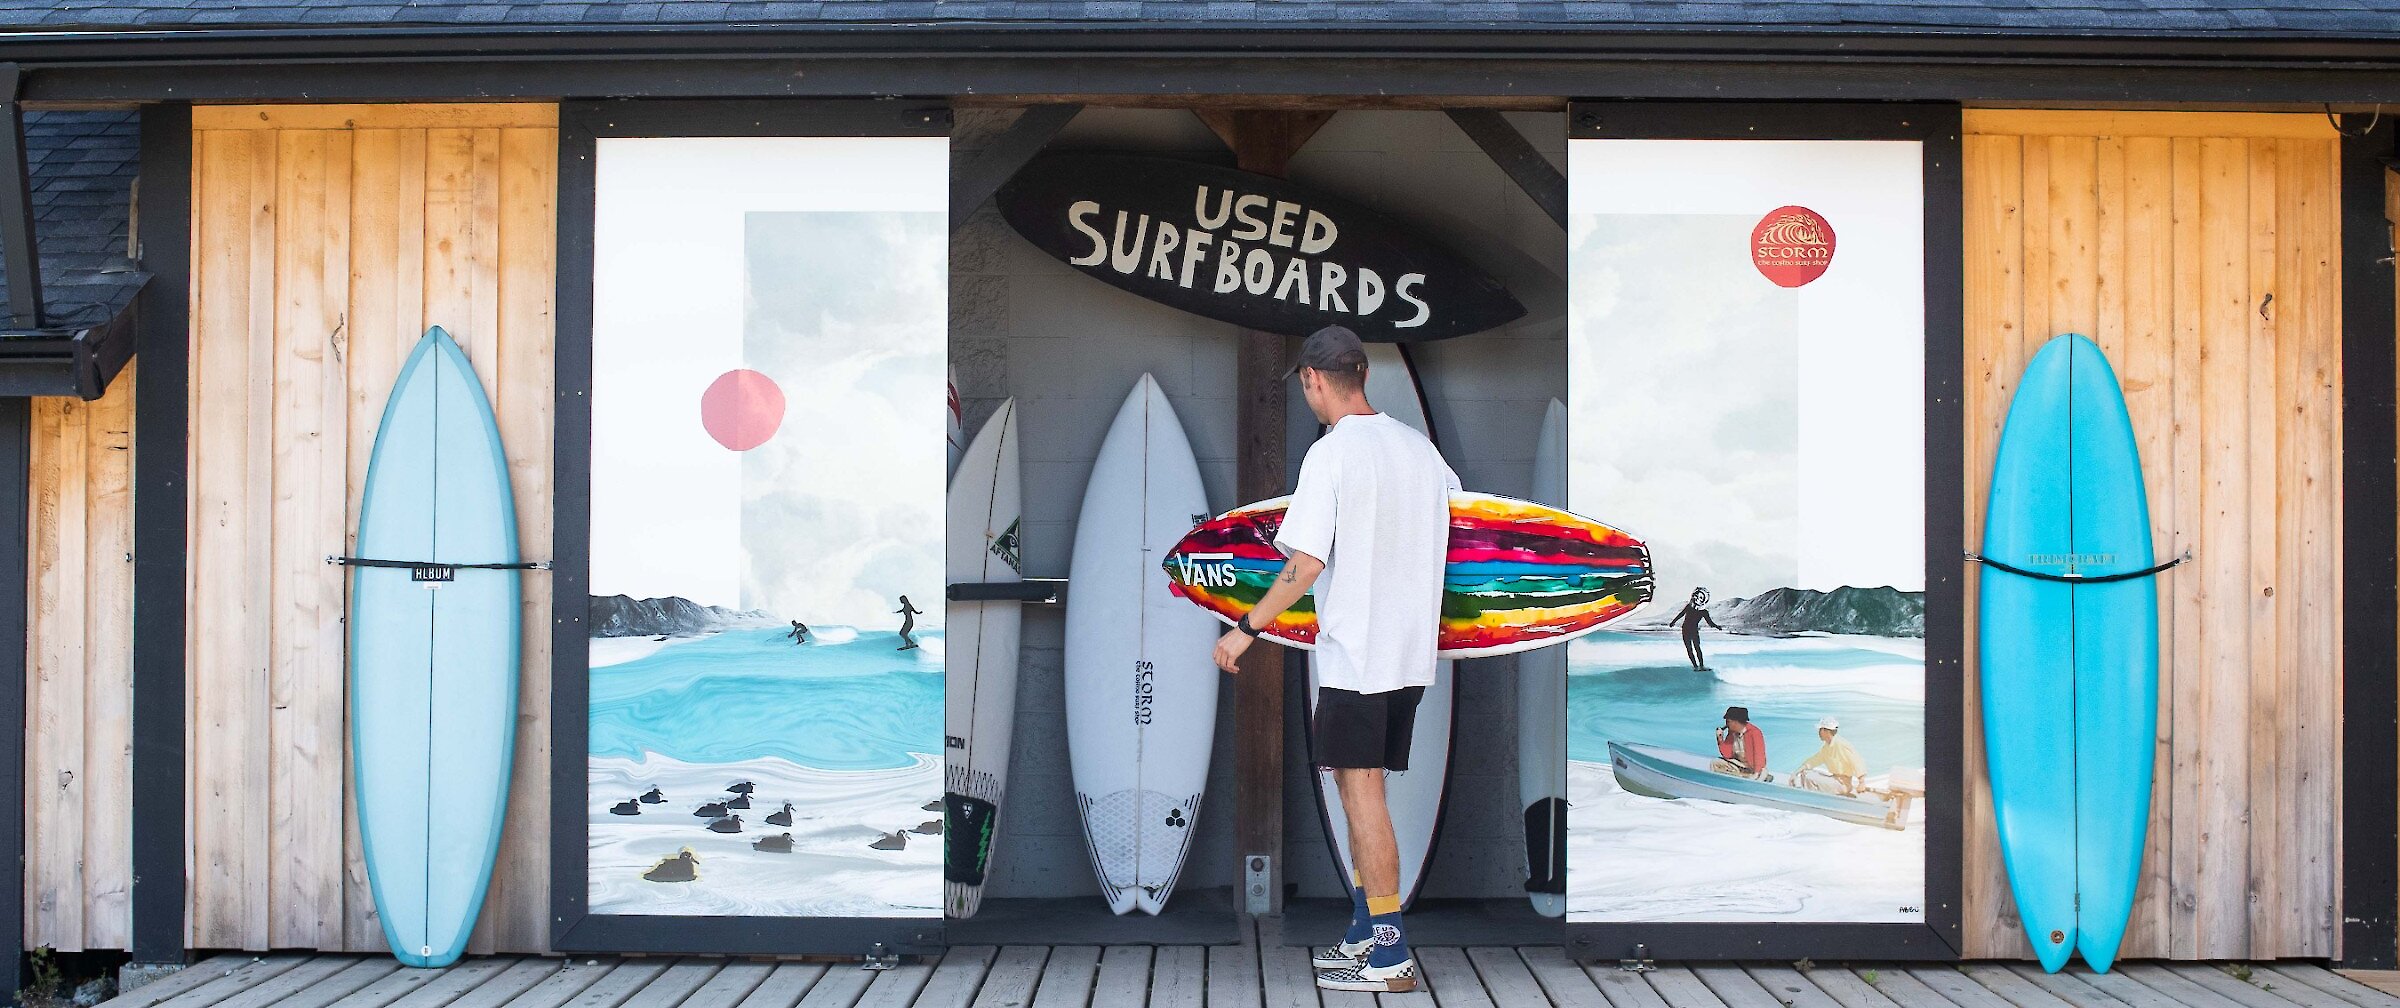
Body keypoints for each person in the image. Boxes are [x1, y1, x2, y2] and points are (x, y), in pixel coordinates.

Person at [1211, 325, 1455, 995]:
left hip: (1357, 658)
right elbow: (1460, 530)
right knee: (1356, 793)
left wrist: (1245, 629)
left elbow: (1305, 562)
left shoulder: (1332, 454)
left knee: (1364, 797)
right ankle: (1361, 929)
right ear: (1363, 375)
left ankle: (1390, 955)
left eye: (1306, 387)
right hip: (1407, 657)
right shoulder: (1420, 452)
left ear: (1314, 381)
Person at [1790, 717, 1866, 796]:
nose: (1818, 732)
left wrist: (1861, 782)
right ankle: (1816, 796)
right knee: (1805, 772)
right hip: (1835, 780)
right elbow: (1813, 761)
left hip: (1842, 784)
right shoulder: (1827, 747)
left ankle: (1813, 799)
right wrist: (1796, 773)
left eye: (1820, 730)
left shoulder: (1841, 744)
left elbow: (1857, 761)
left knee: (1809, 777)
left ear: (1825, 731)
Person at [1711, 706, 1768, 780]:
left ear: (1735, 722)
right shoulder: (1732, 733)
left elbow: (1759, 755)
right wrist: (1720, 739)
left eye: (1728, 721)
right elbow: (1727, 755)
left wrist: (1756, 773)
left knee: (1759, 775)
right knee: (1715, 763)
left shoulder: (1755, 733)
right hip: (1739, 765)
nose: (1726, 724)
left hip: (1753, 767)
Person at [1671, 587, 1723, 670]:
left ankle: (1701, 666)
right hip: (1686, 630)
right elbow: (1681, 614)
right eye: (1696, 596)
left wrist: (1717, 626)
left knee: (1697, 648)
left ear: (1704, 600)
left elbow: (1710, 623)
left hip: (1693, 631)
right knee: (1690, 649)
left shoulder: (1704, 612)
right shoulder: (1689, 607)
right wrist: (1673, 622)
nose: (1697, 598)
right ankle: (1695, 666)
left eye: (1700, 597)